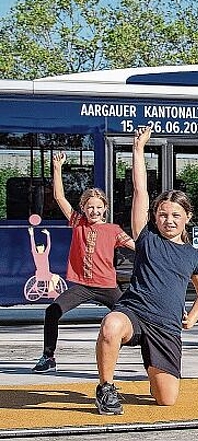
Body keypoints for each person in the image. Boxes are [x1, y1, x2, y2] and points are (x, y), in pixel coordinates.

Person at [94, 127, 198, 415]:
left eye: (175, 215)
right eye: (162, 214)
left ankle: (154, 367)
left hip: (166, 328)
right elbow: (140, 190)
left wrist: (193, 317)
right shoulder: (147, 237)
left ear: (187, 218)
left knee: (166, 399)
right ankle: (106, 387)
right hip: (134, 314)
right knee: (110, 325)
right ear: (155, 217)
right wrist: (138, 149)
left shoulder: (193, 256)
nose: (168, 220)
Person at [32, 152, 136, 374]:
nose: (94, 211)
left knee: (133, 317)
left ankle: (151, 358)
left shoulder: (113, 230)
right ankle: (48, 357)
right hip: (81, 286)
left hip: (107, 286)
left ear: (105, 209)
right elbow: (60, 198)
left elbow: (137, 247)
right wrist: (57, 168)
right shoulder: (77, 222)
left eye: (99, 207)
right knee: (52, 312)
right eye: (90, 207)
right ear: (83, 208)